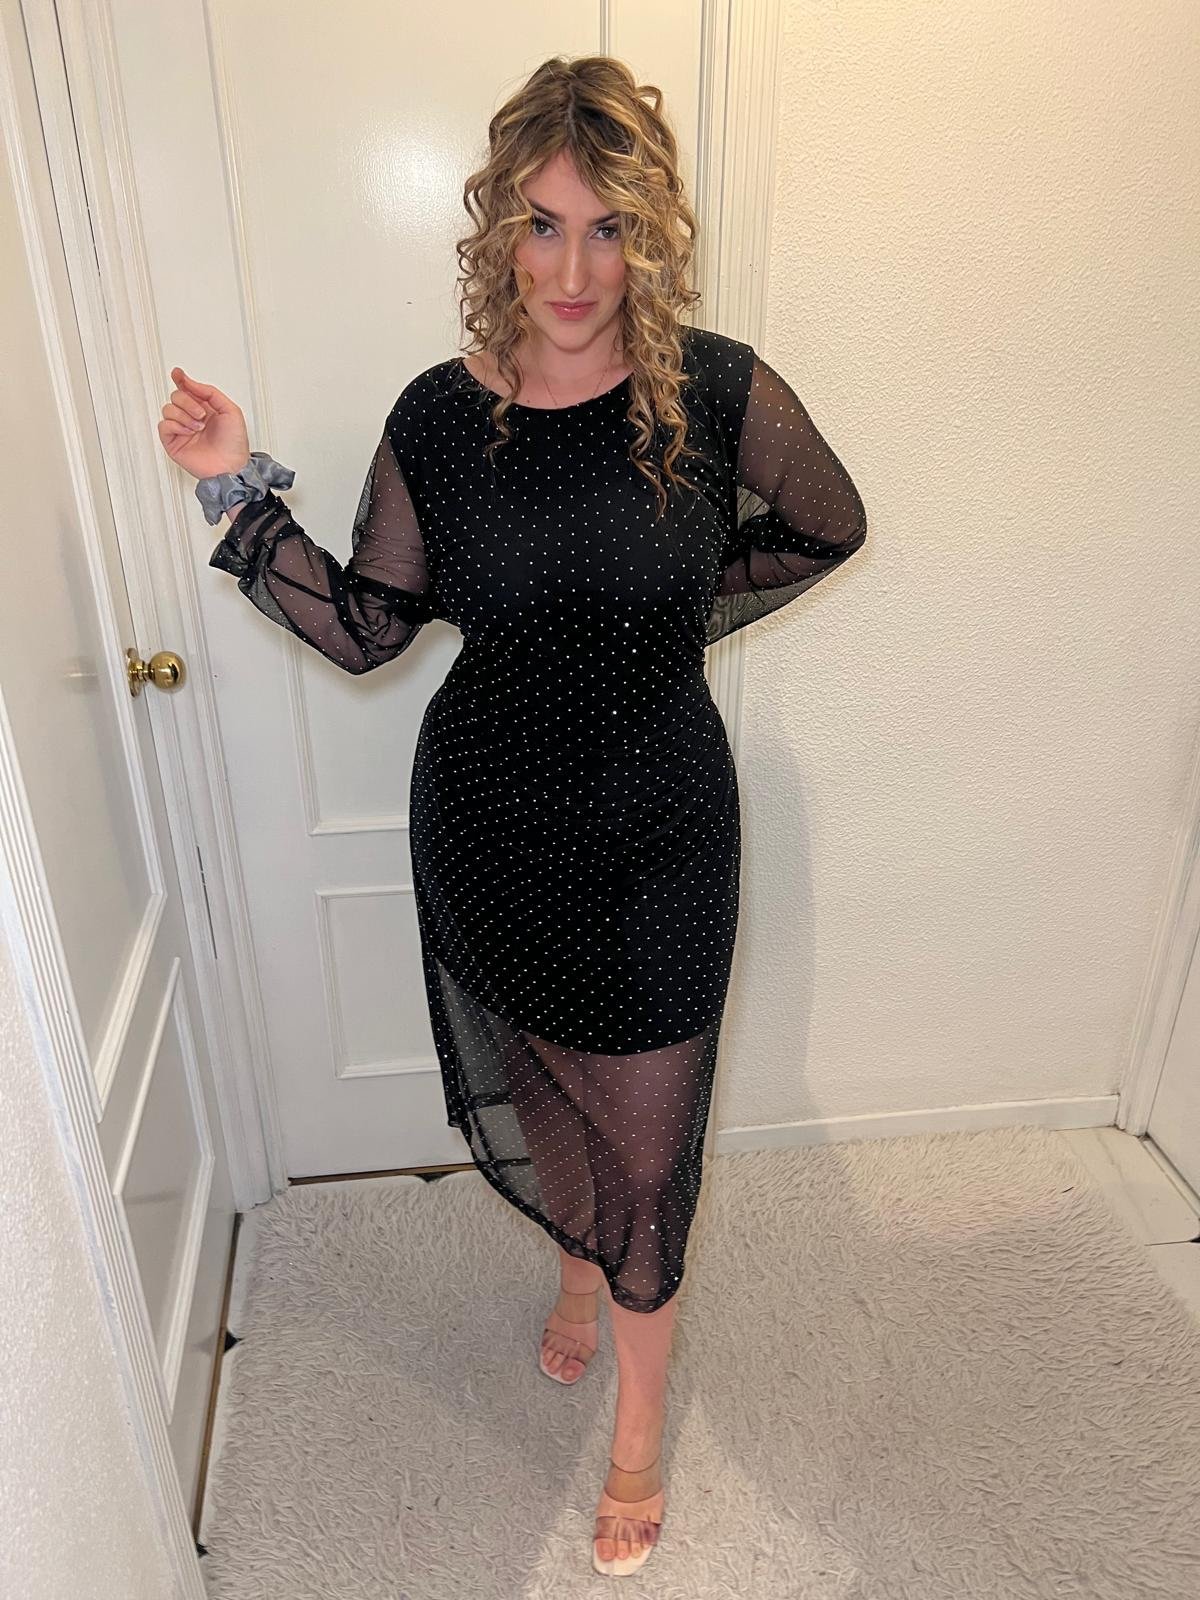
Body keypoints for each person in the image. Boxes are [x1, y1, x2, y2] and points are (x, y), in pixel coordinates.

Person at [158, 53, 867, 1581]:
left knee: (650, 1158)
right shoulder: (439, 419)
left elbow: (828, 524)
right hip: (490, 821)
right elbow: (368, 628)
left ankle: (636, 1440)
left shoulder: (720, 393)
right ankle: (572, 1277)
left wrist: (665, 608)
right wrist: (233, 486)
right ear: (500, 231)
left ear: (650, 236)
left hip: (665, 832)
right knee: (553, 1103)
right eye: (543, 226)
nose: (573, 270)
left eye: (609, 229)